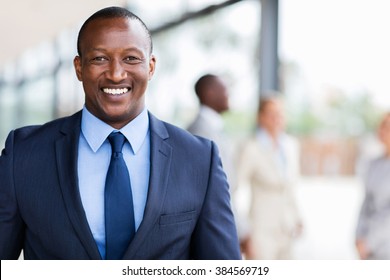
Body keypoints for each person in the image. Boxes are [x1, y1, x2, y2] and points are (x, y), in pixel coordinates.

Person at [0, 6, 240, 260]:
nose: (115, 74)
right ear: (79, 68)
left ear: (150, 66)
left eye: (131, 58)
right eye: (99, 59)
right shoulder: (23, 155)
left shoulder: (199, 159)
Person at [187, 74, 251, 257]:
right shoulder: (201, 132)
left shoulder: (212, 128)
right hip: (214, 230)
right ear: (209, 93)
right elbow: (220, 190)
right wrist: (241, 230)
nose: (228, 94)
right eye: (224, 89)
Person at [236, 96, 302, 259]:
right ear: (260, 117)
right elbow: (233, 189)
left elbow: (290, 188)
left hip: (287, 229)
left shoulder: (291, 145)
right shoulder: (251, 148)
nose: (277, 118)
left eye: (280, 113)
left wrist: (297, 216)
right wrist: (242, 229)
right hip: (261, 232)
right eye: (271, 113)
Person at [355, 112, 390, 259]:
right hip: (368, 247)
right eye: (381, 126)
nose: (381, 130)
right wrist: (358, 235)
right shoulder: (373, 164)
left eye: (387, 127)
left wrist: (370, 243)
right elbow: (366, 203)